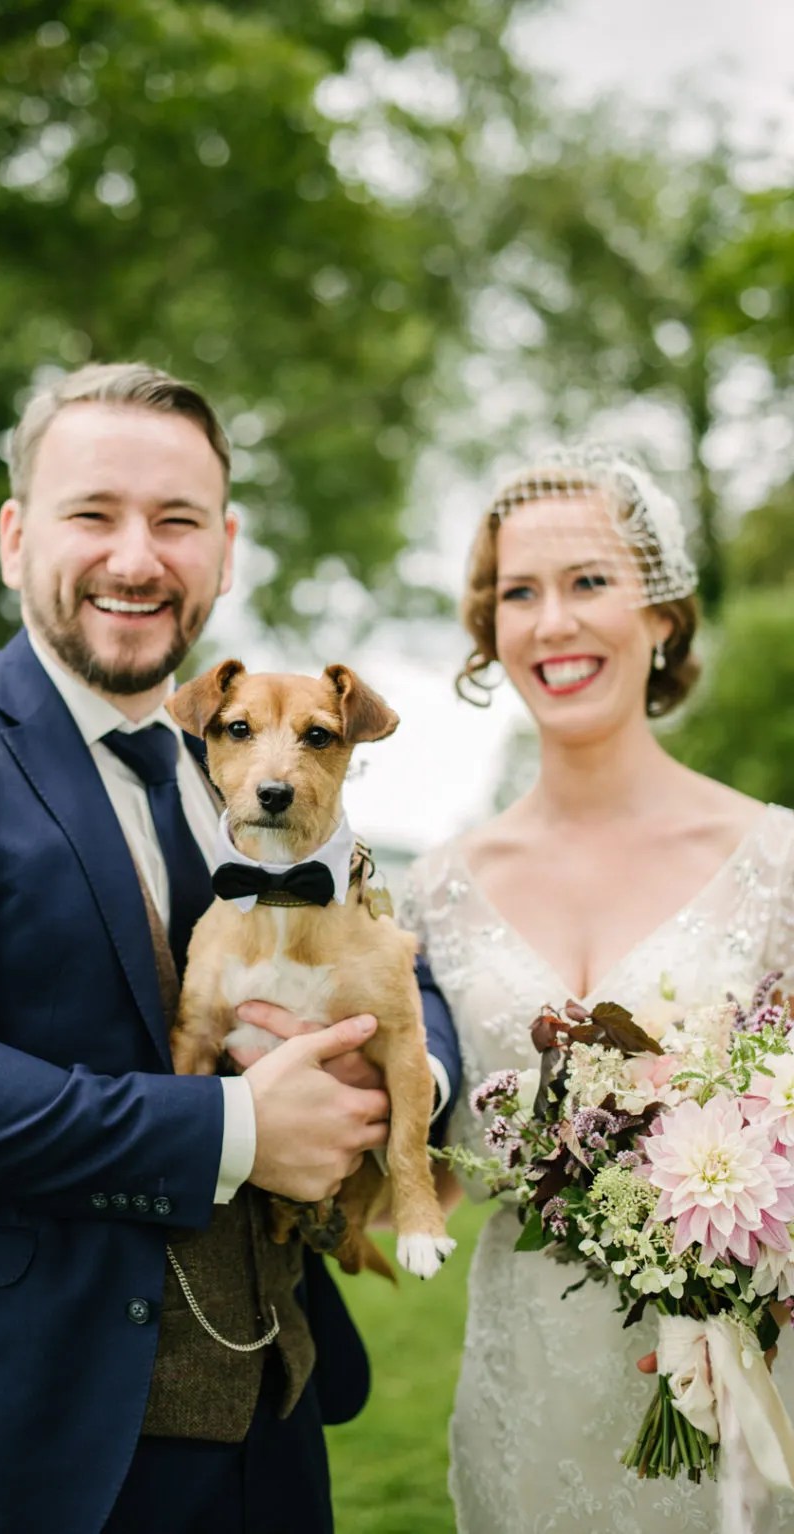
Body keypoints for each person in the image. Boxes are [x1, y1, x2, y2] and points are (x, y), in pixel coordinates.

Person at [0, 362, 460, 1534]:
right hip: (31, 1441)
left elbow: (401, 954)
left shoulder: (253, 749)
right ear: (13, 535)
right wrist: (241, 1130)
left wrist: (402, 1078)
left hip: (276, 1414)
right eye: (92, 512)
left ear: (226, 547)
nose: (137, 557)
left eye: (177, 520)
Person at [400, 445, 794, 1534]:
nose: (551, 622)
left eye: (588, 582)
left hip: (737, 1387)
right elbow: (419, 1142)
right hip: (521, 1384)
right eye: (517, 593)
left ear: (661, 613)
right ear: (490, 631)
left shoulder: (776, 863)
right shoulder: (438, 888)